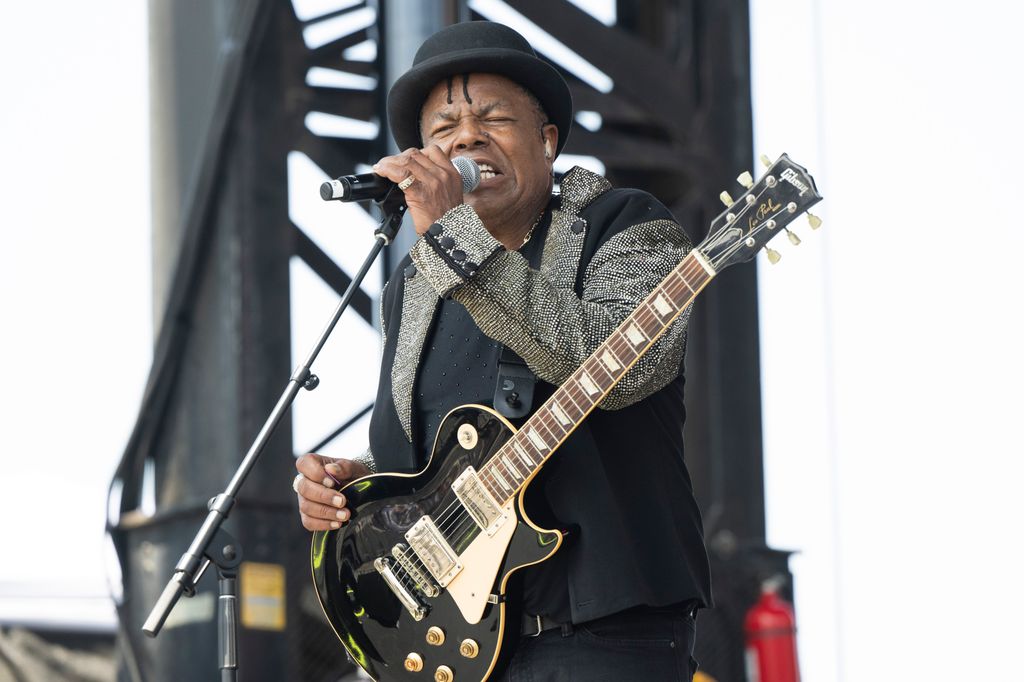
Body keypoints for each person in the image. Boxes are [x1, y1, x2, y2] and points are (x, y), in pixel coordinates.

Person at [292, 21, 711, 681]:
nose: (465, 138)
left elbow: (614, 365)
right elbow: (445, 444)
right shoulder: (414, 286)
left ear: (547, 141)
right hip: (458, 645)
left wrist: (455, 240)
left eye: (493, 118)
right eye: (443, 130)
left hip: (599, 635)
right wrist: (360, 482)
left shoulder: (626, 227)